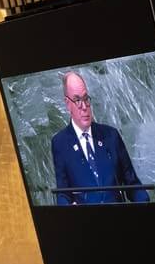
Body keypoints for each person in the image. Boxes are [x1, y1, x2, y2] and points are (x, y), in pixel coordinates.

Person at [50, 71, 148, 205]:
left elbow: (133, 184)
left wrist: (145, 204)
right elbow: (63, 193)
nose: (84, 107)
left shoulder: (111, 136)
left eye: (85, 98)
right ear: (68, 104)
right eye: (77, 100)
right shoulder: (60, 143)